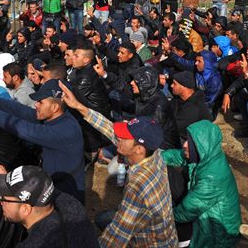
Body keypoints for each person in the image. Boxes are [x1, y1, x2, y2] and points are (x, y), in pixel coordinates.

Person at [59, 81, 179, 248]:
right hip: (165, 236)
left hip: (151, 243)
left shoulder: (139, 186)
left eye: (124, 137)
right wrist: (79, 106)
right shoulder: (154, 153)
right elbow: (109, 128)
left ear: (138, 149)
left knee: (101, 226)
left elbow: (115, 237)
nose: (118, 139)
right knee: (103, 219)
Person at [0, 78, 86, 204]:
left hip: (67, 195)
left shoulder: (65, 130)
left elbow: (24, 129)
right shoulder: (56, 118)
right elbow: (19, 110)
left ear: (55, 107)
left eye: (40, 102)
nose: (36, 105)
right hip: (55, 184)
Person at [162, 120, 241, 248]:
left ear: (201, 146)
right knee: (169, 171)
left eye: (190, 142)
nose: (185, 145)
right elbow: (175, 156)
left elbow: (186, 211)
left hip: (218, 237)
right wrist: (151, 159)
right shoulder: (206, 156)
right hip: (205, 217)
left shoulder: (213, 177)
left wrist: (161, 218)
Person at [0, 163, 98, 248]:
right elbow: (39, 187)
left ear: (25, 209)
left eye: (4, 198)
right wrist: (8, 180)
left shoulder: (35, 244)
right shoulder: (70, 202)